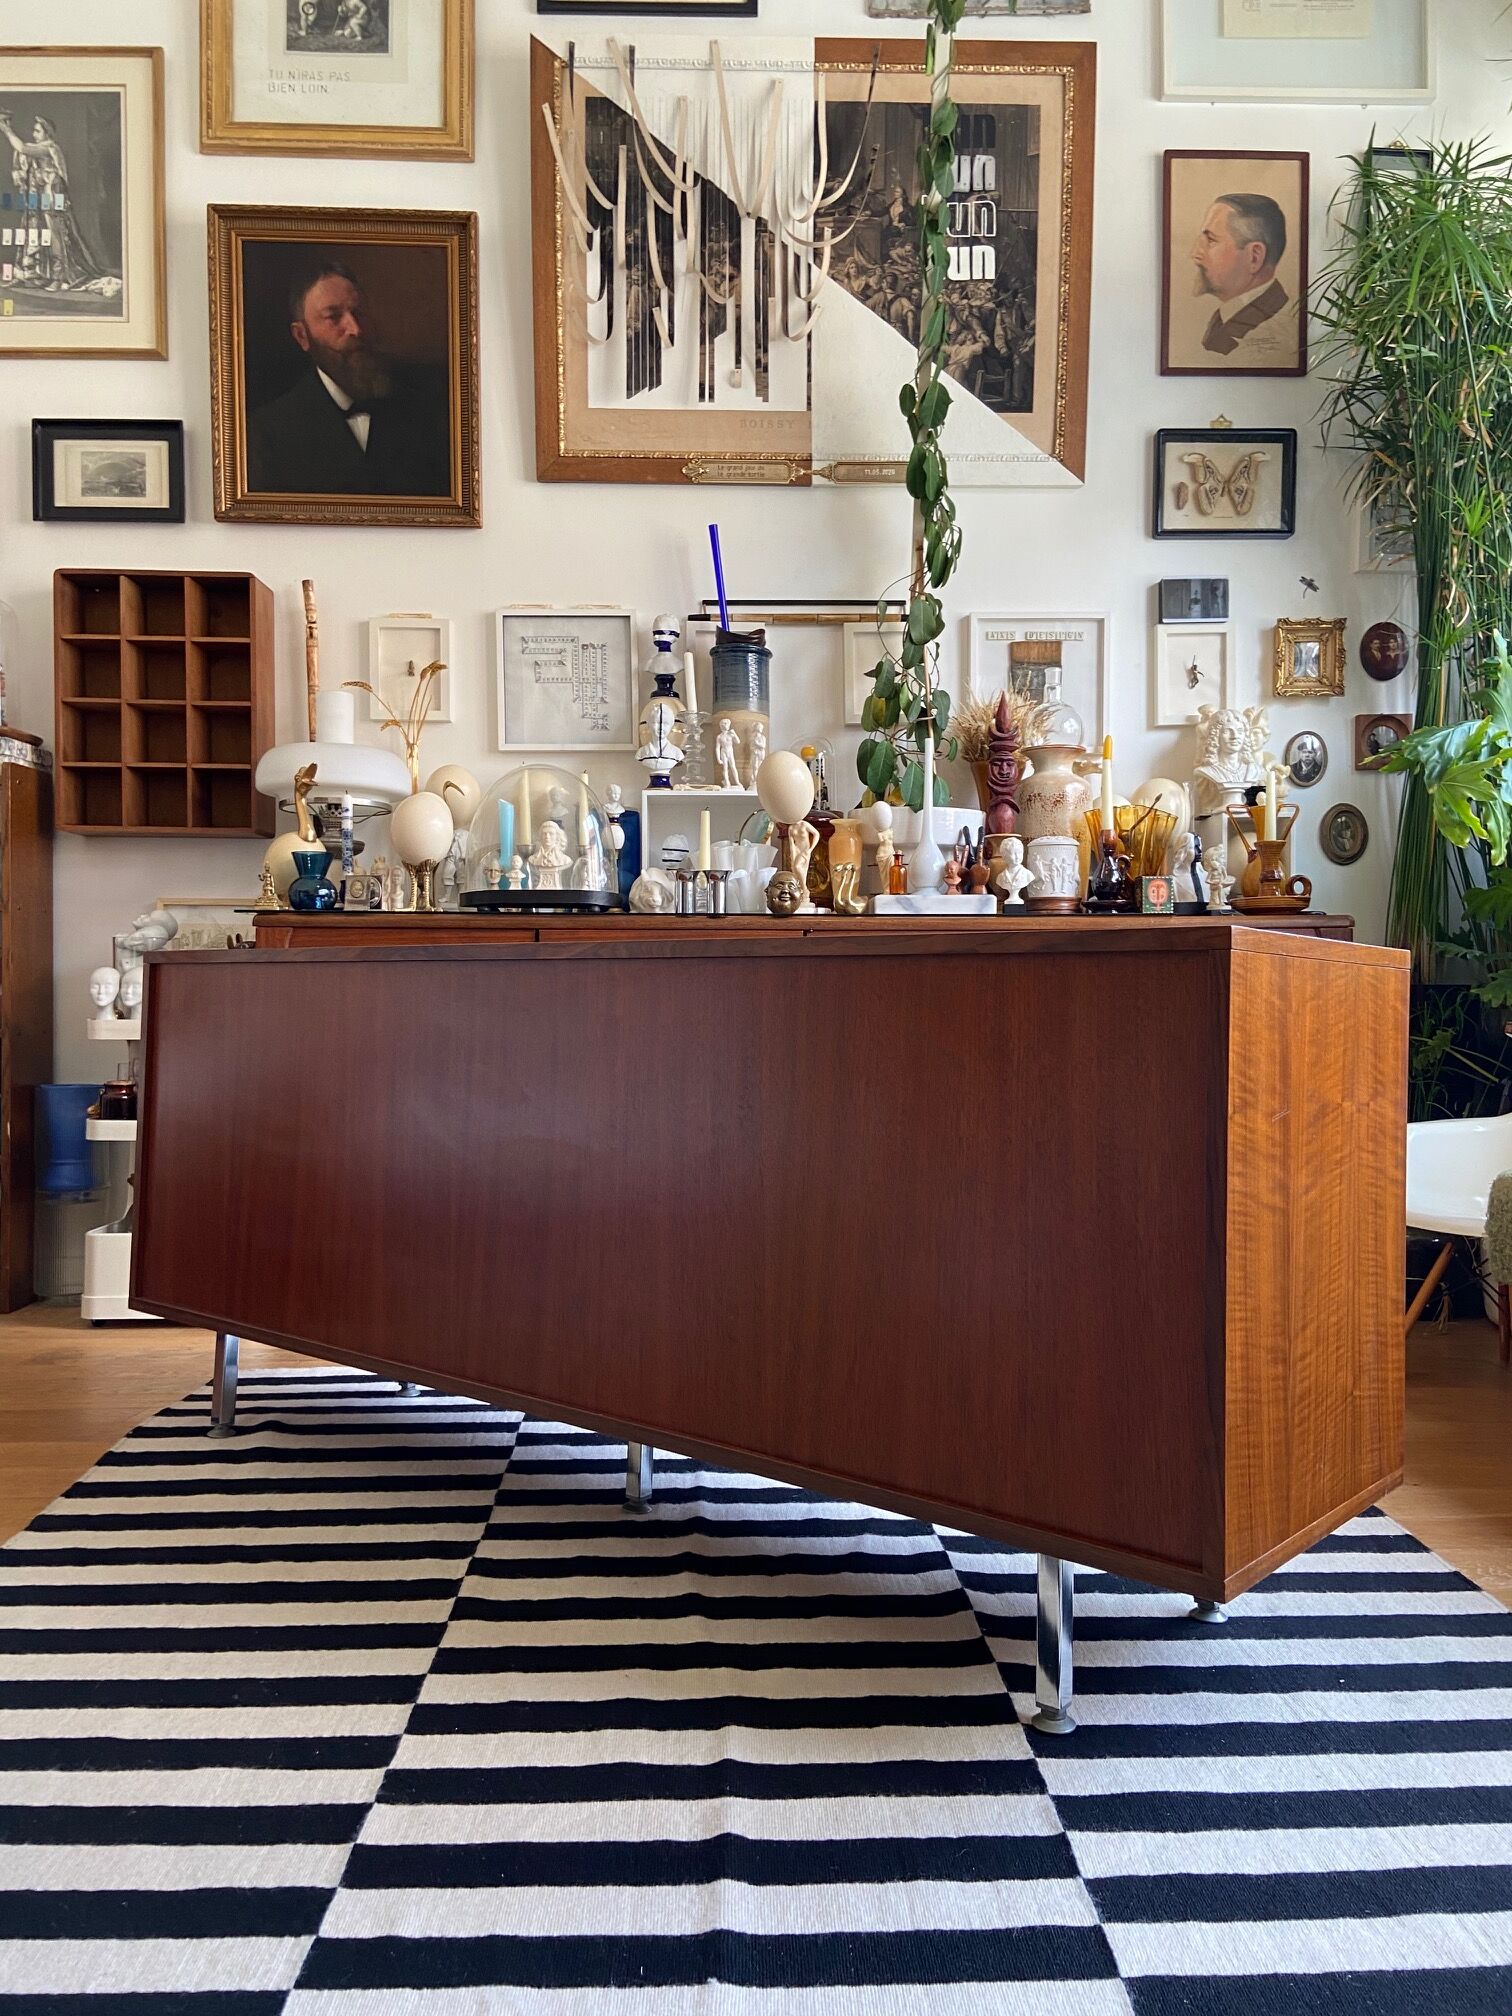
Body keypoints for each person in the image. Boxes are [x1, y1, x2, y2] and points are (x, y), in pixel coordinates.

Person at [246, 260, 453, 497]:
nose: (355, 329)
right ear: (302, 335)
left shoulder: (422, 409)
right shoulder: (268, 431)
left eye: (358, 313)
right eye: (334, 317)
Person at [1190, 192, 1298, 367]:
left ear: (1254, 257)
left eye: (1211, 240)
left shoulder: (1272, 330)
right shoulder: (1227, 315)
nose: (1195, 254)